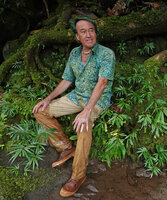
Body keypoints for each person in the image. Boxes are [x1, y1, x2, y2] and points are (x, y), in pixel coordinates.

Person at [32, 17, 115, 197]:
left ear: (95, 33)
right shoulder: (74, 54)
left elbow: (102, 83)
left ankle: (78, 176)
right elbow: (67, 79)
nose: (88, 34)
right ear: (77, 36)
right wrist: (48, 98)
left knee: (84, 126)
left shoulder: (106, 54)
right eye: (83, 31)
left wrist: (86, 112)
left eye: (91, 30)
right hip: (76, 96)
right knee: (41, 111)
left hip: (97, 100)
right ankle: (66, 147)